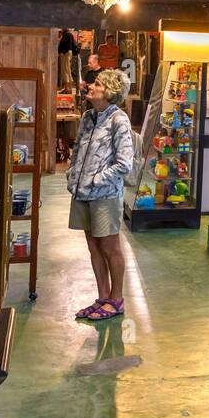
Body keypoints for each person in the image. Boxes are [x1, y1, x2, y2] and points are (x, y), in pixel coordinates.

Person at [65, 69, 135, 321]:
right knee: (93, 245)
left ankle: (117, 299)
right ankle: (103, 297)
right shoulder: (88, 117)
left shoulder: (119, 120)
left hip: (105, 195)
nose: (90, 86)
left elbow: (124, 163)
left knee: (109, 247)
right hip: (82, 192)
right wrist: (73, 174)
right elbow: (78, 150)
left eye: (97, 83)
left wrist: (97, 179)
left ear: (110, 92)